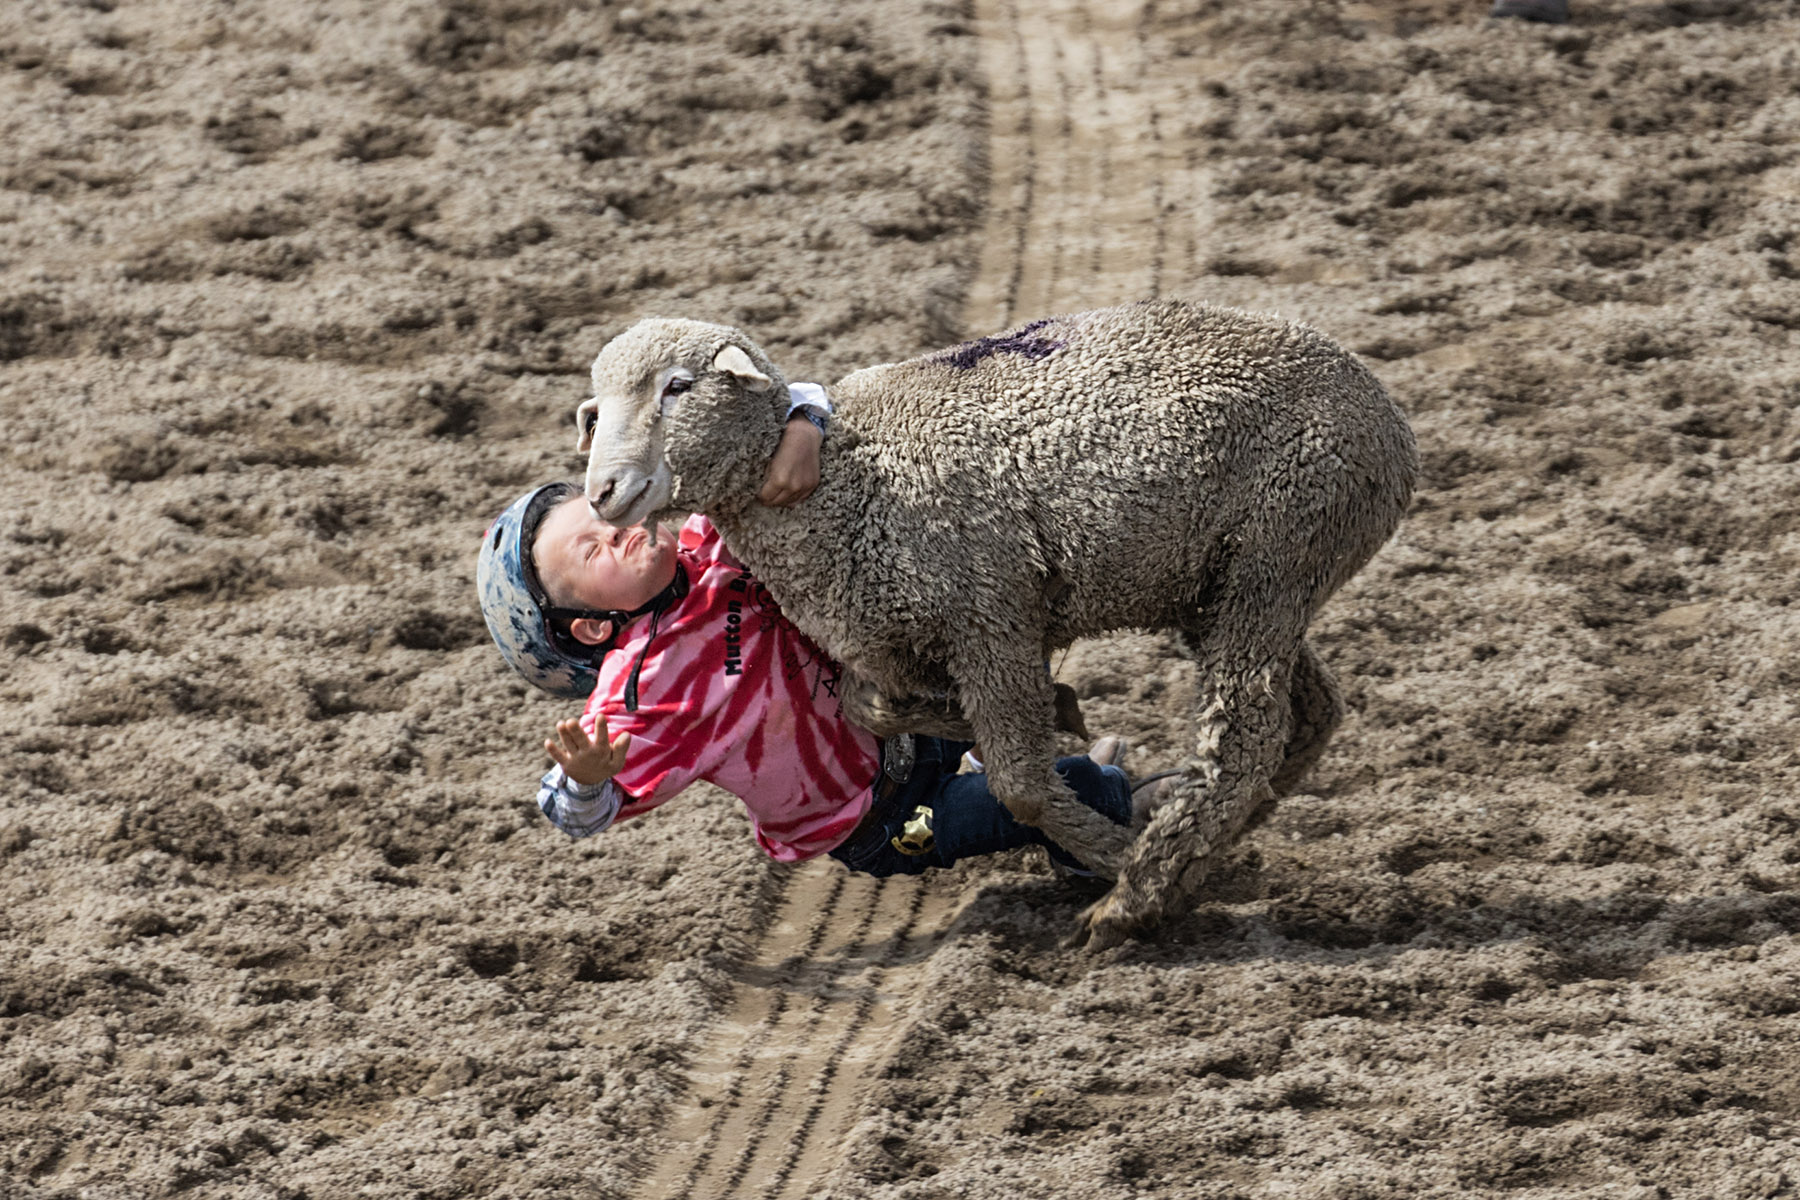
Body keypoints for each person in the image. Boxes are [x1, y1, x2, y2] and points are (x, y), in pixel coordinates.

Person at [476, 382, 1144, 879]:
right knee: (1077, 794)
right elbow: (570, 813)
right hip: (881, 819)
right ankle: (1105, 831)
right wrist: (587, 780)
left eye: (599, 514)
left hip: (906, 720)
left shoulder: (716, 532)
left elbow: (795, 394)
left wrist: (800, 429)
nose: (615, 531)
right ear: (592, 628)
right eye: (591, 552)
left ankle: (1010, 770)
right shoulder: (647, 689)